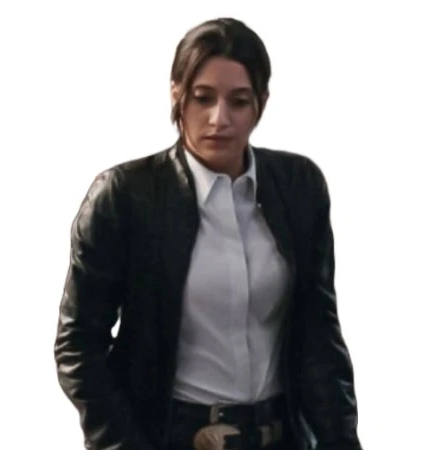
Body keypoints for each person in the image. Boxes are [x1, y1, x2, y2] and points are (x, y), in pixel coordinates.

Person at [54, 17, 363, 450]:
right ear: (176, 95)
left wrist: (341, 441)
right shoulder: (125, 196)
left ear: (261, 103)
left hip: (280, 434)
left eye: (239, 101)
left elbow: (320, 337)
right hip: (172, 436)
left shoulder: (298, 186)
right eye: (203, 98)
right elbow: (78, 346)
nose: (220, 118)